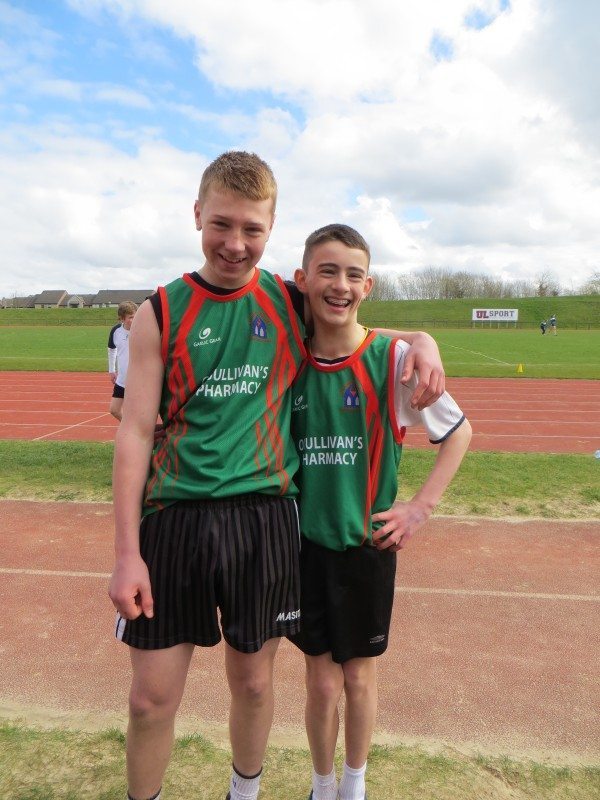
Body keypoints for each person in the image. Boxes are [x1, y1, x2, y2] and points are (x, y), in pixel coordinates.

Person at [108, 152, 446, 800]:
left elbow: (354, 327)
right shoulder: (162, 310)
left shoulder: (288, 303)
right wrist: (127, 554)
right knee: (151, 699)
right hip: (173, 517)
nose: (235, 244)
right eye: (222, 225)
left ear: (271, 228)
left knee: (256, 683)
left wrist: (423, 339)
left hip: (263, 517)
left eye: (252, 229)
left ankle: (245, 792)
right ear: (198, 215)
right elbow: (133, 432)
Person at [289, 224, 472, 800]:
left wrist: (420, 508)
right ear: (302, 280)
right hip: (304, 547)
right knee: (320, 685)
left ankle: (354, 786)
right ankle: (322, 786)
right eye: (326, 270)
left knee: (359, 677)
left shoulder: (392, 360)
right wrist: (422, 331)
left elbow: (460, 432)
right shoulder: (288, 355)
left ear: (368, 285)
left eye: (352, 274)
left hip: (365, 548)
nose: (339, 284)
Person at [108, 301, 138, 421]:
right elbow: (111, 349)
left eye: (135, 316)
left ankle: (138, 433)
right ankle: (130, 428)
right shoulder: (116, 331)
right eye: (130, 317)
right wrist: (112, 370)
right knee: (114, 410)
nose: (134, 319)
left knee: (139, 412)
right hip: (122, 380)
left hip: (139, 380)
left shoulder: (143, 329)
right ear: (122, 318)